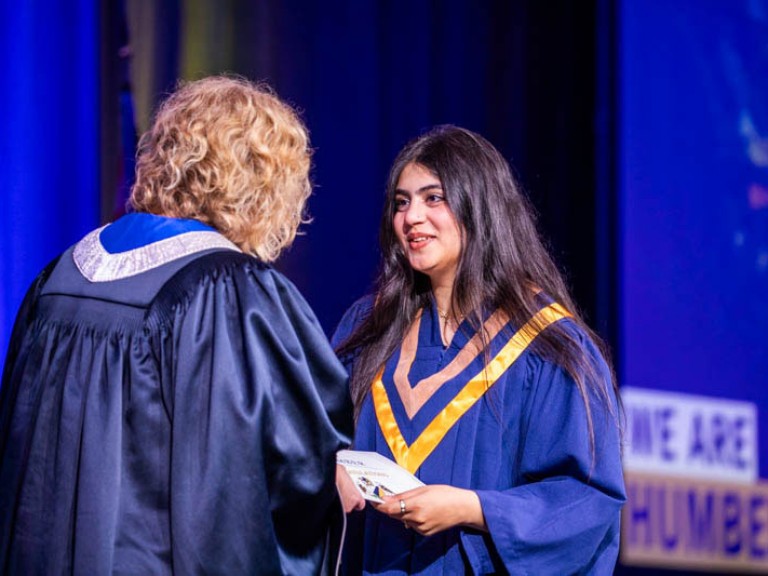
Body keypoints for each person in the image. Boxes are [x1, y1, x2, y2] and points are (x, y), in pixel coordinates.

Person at [0, 76, 356, 575]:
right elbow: (273, 473)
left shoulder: (57, 277)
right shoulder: (228, 290)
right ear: (261, 180)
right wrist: (331, 479)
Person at [332, 125, 626, 574]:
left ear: (481, 208)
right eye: (401, 202)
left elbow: (585, 501)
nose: (412, 217)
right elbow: (311, 437)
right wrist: (328, 468)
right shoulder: (369, 329)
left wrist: (472, 508)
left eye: (434, 198)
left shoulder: (549, 347)